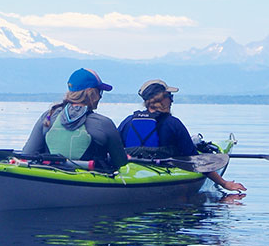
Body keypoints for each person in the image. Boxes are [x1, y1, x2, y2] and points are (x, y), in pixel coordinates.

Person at [118, 79, 246, 192]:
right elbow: (196, 160)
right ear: (162, 99)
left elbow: (116, 150)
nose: (172, 100)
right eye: (170, 96)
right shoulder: (173, 123)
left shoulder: (127, 121)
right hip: (165, 169)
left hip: (130, 171)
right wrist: (224, 183)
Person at [22, 68, 128, 170]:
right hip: (89, 182)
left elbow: (27, 154)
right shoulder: (103, 123)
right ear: (92, 93)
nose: (100, 97)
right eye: (100, 92)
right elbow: (121, 162)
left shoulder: (48, 116)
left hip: (51, 179)